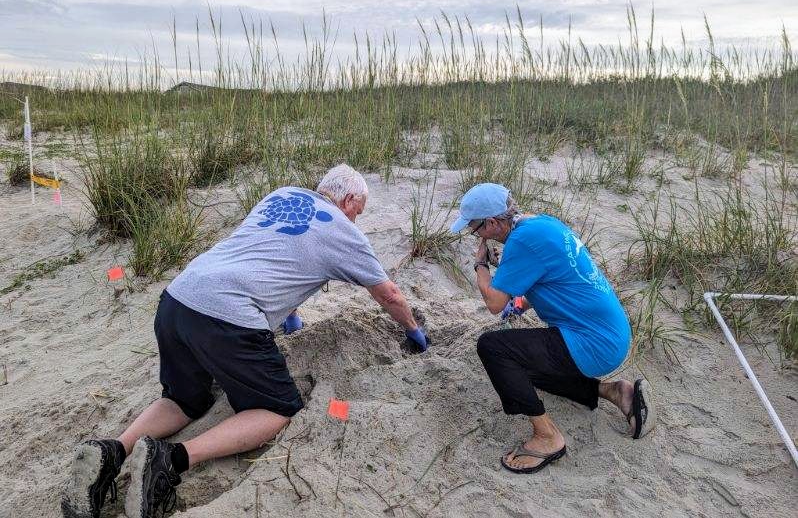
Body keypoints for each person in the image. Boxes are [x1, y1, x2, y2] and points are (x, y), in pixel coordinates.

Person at [62, 164, 428, 518]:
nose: (356, 221)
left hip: (177, 299)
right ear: (349, 200)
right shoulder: (344, 232)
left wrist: (290, 317)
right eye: (358, 212)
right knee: (278, 409)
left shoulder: (282, 196)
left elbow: (272, 257)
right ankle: (169, 459)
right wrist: (415, 333)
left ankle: (114, 449)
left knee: (183, 399)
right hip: (227, 316)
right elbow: (390, 295)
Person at [450, 183, 654, 474]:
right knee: (522, 371)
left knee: (493, 348)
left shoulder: (522, 242)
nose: (477, 235)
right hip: (611, 334)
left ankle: (547, 437)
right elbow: (547, 278)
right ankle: (614, 392)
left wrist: (480, 265)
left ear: (492, 223)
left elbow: (494, 302)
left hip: (593, 343)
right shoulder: (540, 223)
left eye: (475, 229)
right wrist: (519, 304)